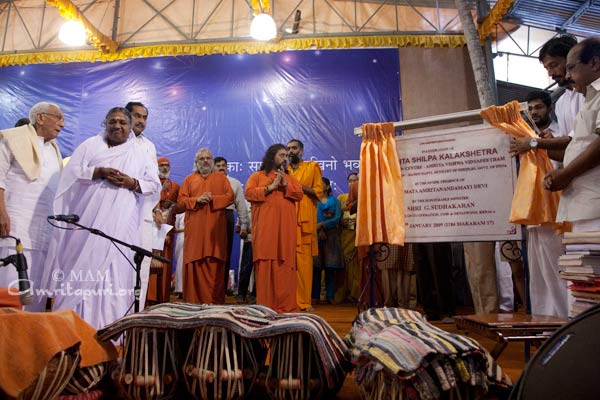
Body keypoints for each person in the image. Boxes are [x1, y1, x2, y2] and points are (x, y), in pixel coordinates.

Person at [41, 107, 161, 329]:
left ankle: (111, 331)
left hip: (121, 225)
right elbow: (70, 175)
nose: (117, 126)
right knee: (80, 269)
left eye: (122, 122)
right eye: (112, 121)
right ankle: (73, 329)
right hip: (86, 224)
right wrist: (99, 172)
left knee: (114, 273)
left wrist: (132, 183)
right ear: (105, 124)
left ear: (129, 126)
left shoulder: (139, 154)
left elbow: (154, 185)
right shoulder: (89, 146)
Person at [0, 102, 64, 311]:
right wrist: (1, 212)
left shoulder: (54, 149)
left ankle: (29, 342)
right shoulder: (10, 139)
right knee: (11, 294)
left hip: (43, 233)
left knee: (35, 298)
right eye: (58, 117)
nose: (62, 124)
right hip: (14, 227)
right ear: (41, 118)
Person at [547, 37, 600, 232]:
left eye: (571, 68)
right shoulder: (589, 98)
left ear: (594, 63)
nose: (567, 76)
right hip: (585, 204)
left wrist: (566, 174)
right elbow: (579, 146)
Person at [246, 144, 303, 313]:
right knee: (265, 264)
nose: (285, 158)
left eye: (286, 155)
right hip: (265, 231)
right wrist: (270, 187)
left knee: (285, 265)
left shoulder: (290, 178)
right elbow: (248, 193)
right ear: (272, 157)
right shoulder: (257, 176)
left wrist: (285, 185)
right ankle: (266, 307)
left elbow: (299, 195)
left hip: (285, 232)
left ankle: (285, 307)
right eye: (281, 155)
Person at [510, 36, 584, 161]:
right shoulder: (561, 103)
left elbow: (578, 142)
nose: (550, 74)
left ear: (571, 60)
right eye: (547, 68)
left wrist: (534, 143)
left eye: (554, 65)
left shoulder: (589, 94)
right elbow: (569, 152)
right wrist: (548, 142)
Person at [178, 148, 234, 304]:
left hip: (214, 232)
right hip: (195, 232)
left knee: (214, 263)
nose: (205, 161)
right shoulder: (189, 179)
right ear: (196, 162)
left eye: (208, 158)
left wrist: (212, 199)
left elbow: (230, 197)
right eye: (202, 158)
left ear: (212, 161)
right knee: (195, 264)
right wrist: (196, 200)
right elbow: (180, 203)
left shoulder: (222, 179)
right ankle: (193, 303)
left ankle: (214, 304)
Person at [125, 101, 159, 309]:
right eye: (137, 116)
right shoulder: (114, 140)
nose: (141, 121)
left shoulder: (149, 145)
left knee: (142, 266)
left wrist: (154, 208)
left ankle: (135, 317)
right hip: (121, 212)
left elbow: (154, 182)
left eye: (144, 117)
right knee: (122, 264)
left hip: (144, 212)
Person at [286, 139, 323, 311]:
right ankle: (288, 301)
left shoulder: (312, 167)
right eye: (288, 149)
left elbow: (318, 193)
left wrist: (297, 186)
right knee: (287, 264)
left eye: (294, 148)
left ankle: (304, 302)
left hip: (304, 223)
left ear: (301, 150)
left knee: (303, 265)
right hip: (286, 221)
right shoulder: (283, 170)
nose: (290, 151)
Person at [147, 156, 180, 303]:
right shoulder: (151, 184)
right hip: (151, 228)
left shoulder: (175, 186)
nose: (165, 168)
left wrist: (172, 205)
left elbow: (180, 206)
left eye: (167, 165)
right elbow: (147, 203)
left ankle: (163, 296)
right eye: (162, 165)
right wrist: (161, 190)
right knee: (151, 260)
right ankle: (150, 296)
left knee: (165, 261)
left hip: (168, 230)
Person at [214, 156, 249, 291]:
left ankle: (221, 290)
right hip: (209, 218)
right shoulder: (207, 182)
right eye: (218, 165)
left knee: (225, 253)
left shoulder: (235, 183)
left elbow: (241, 206)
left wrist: (244, 226)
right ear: (213, 167)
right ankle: (208, 288)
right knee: (210, 254)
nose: (221, 167)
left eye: (224, 165)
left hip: (227, 216)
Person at [311, 177, 342, 304]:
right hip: (315, 235)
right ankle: (315, 296)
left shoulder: (334, 201)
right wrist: (317, 227)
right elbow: (311, 217)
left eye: (322, 184)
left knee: (330, 268)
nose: (319, 186)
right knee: (316, 268)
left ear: (328, 187)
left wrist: (323, 225)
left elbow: (337, 218)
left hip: (331, 236)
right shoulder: (314, 201)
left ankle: (330, 296)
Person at [337, 172, 360, 302]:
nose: (352, 183)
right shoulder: (341, 198)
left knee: (355, 266)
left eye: (355, 180)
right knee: (344, 264)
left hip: (357, 235)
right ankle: (342, 293)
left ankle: (356, 294)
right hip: (344, 235)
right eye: (350, 181)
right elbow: (337, 214)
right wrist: (341, 221)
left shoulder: (363, 197)